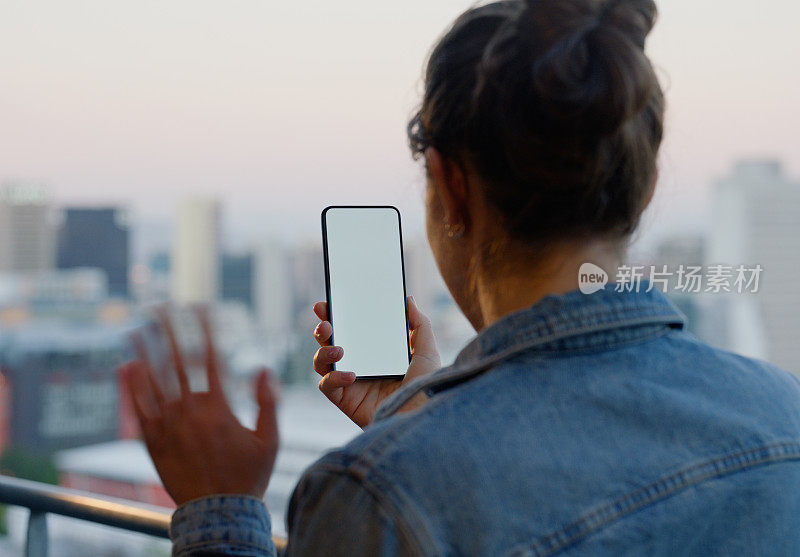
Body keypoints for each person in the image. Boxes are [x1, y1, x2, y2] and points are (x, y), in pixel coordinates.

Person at [122, 0, 800, 555]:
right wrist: (423, 408)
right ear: (646, 187)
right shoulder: (785, 414)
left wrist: (221, 515)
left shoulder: (376, 493)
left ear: (450, 186)